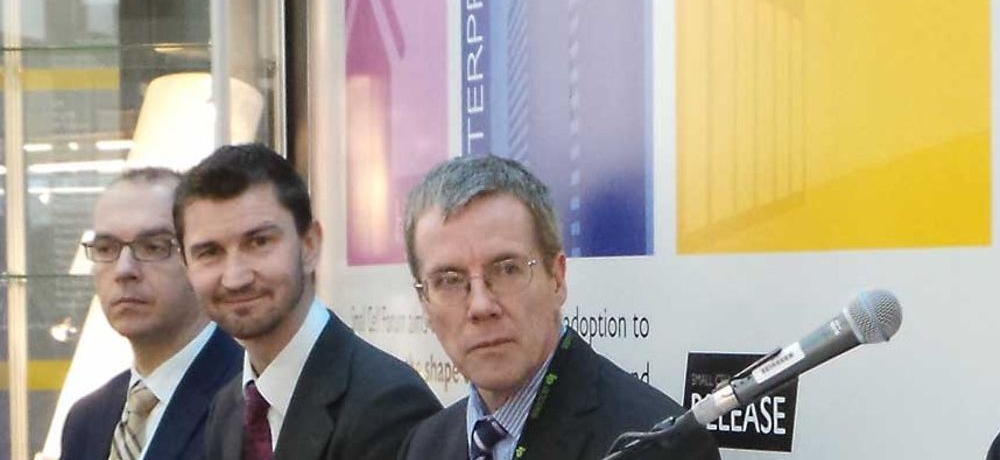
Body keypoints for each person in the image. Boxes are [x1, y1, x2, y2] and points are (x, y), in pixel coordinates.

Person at [398, 154, 721, 460]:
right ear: (424, 302)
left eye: (507, 269)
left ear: (557, 277)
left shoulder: (658, 447)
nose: (481, 305)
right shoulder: (424, 446)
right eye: (449, 280)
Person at [173, 143, 441, 460]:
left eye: (259, 242)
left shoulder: (389, 406)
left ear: (310, 246)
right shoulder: (227, 409)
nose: (235, 278)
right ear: (186, 266)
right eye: (209, 253)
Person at [61, 168, 241, 460]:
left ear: (202, 258)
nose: (124, 270)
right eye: (105, 248)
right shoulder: (87, 419)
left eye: (154, 247)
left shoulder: (255, 401)